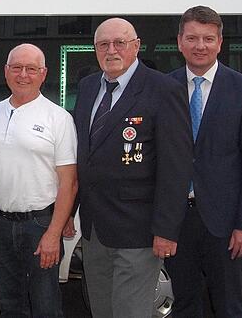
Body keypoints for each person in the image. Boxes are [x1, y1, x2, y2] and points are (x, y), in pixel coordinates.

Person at [73, 17, 192, 318]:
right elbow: (84, 157)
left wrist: (166, 230)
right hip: (94, 230)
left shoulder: (164, 89)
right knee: (101, 310)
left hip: (138, 230)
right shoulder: (88, 87)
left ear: (136, 46)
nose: (111, 50)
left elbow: (175, 167)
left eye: (119, 43)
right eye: (103, 44)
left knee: (130, 312)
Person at [165, 6, 242, 317]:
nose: (200, 46)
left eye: (208, 38)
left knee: (229, 307)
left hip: (225, 225)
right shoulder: (163, 88)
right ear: (180, 41)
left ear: (220, 43)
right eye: (193, 38)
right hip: (177, 221)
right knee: (183, 305)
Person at [0, 43, 78, 317]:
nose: (23, 75)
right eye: (16, 68)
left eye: (31, 69)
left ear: (43, 73)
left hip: (40, 225)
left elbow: (69, 182)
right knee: (9, 303)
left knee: (45, 305)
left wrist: (53, 233)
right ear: (5, 72)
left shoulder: (58, 118)